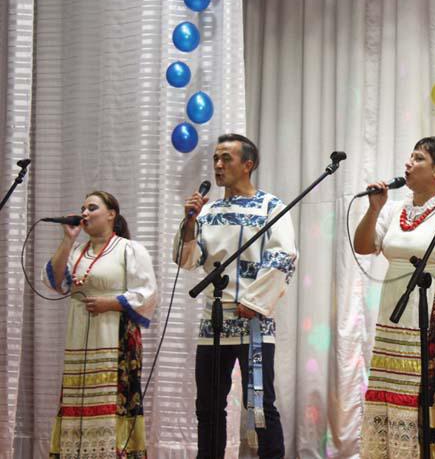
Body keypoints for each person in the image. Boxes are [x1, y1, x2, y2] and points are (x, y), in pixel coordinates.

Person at [173, 133, 297, 459]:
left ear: (248, 164)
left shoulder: (272, 206)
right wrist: (188, 225)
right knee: (209, 406)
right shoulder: (208, 210)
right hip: (213, 321)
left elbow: (283, 256)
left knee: (259, 404)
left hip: (253, 319)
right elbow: (188, 260)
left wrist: (254, 302)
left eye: (226, 158)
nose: (218, 165)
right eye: (215, 158)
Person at [354, 136, 435, 458]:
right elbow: (364, 246)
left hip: (431, 314)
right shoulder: (394, 209)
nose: (408, 163)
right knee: (393, 386)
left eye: (418, 158)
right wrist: (374, 209)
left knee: (428, 391)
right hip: (394, 310)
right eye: (410, 157)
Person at [42, 191, 157, 458]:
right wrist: (67, 240)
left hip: (115, 334)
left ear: (111, 214)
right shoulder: (77, 252)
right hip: (80, 335)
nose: (84, 213)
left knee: (116, 400)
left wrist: (112, 303)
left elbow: (147, 293)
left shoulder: (130, 249)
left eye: (92, 208)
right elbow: (54, 282)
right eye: (82, 208)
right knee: (77, 398)